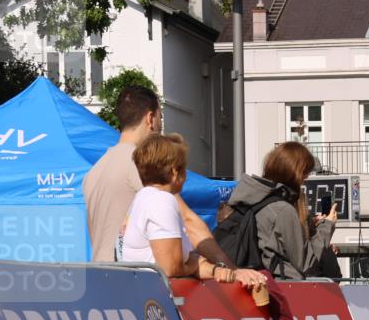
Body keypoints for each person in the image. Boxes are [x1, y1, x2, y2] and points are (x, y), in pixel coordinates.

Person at [84, 85, 234, 267]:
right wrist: (229, 267)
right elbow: (188, 221)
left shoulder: (94, 171)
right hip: (136, 281)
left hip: (100, 276)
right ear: (151, 118)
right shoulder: (142, 163)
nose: (161, 125)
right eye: (160, 117)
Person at [116, 134, 265, 293]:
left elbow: (181, 257)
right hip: (157, 299)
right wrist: (195, 265)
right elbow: (170, 268)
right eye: (184, 168)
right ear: (175, 172)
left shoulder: (143, 197)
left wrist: (217, 269)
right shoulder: (162, 200)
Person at [226, 142, 338, 280]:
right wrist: (327, 226)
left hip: (256, 281)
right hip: (285, 289)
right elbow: (307, 264)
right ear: (295, 172)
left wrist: (307, 227)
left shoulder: (253, 199)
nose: (306, 178)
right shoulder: (283, 210)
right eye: (305, 172)